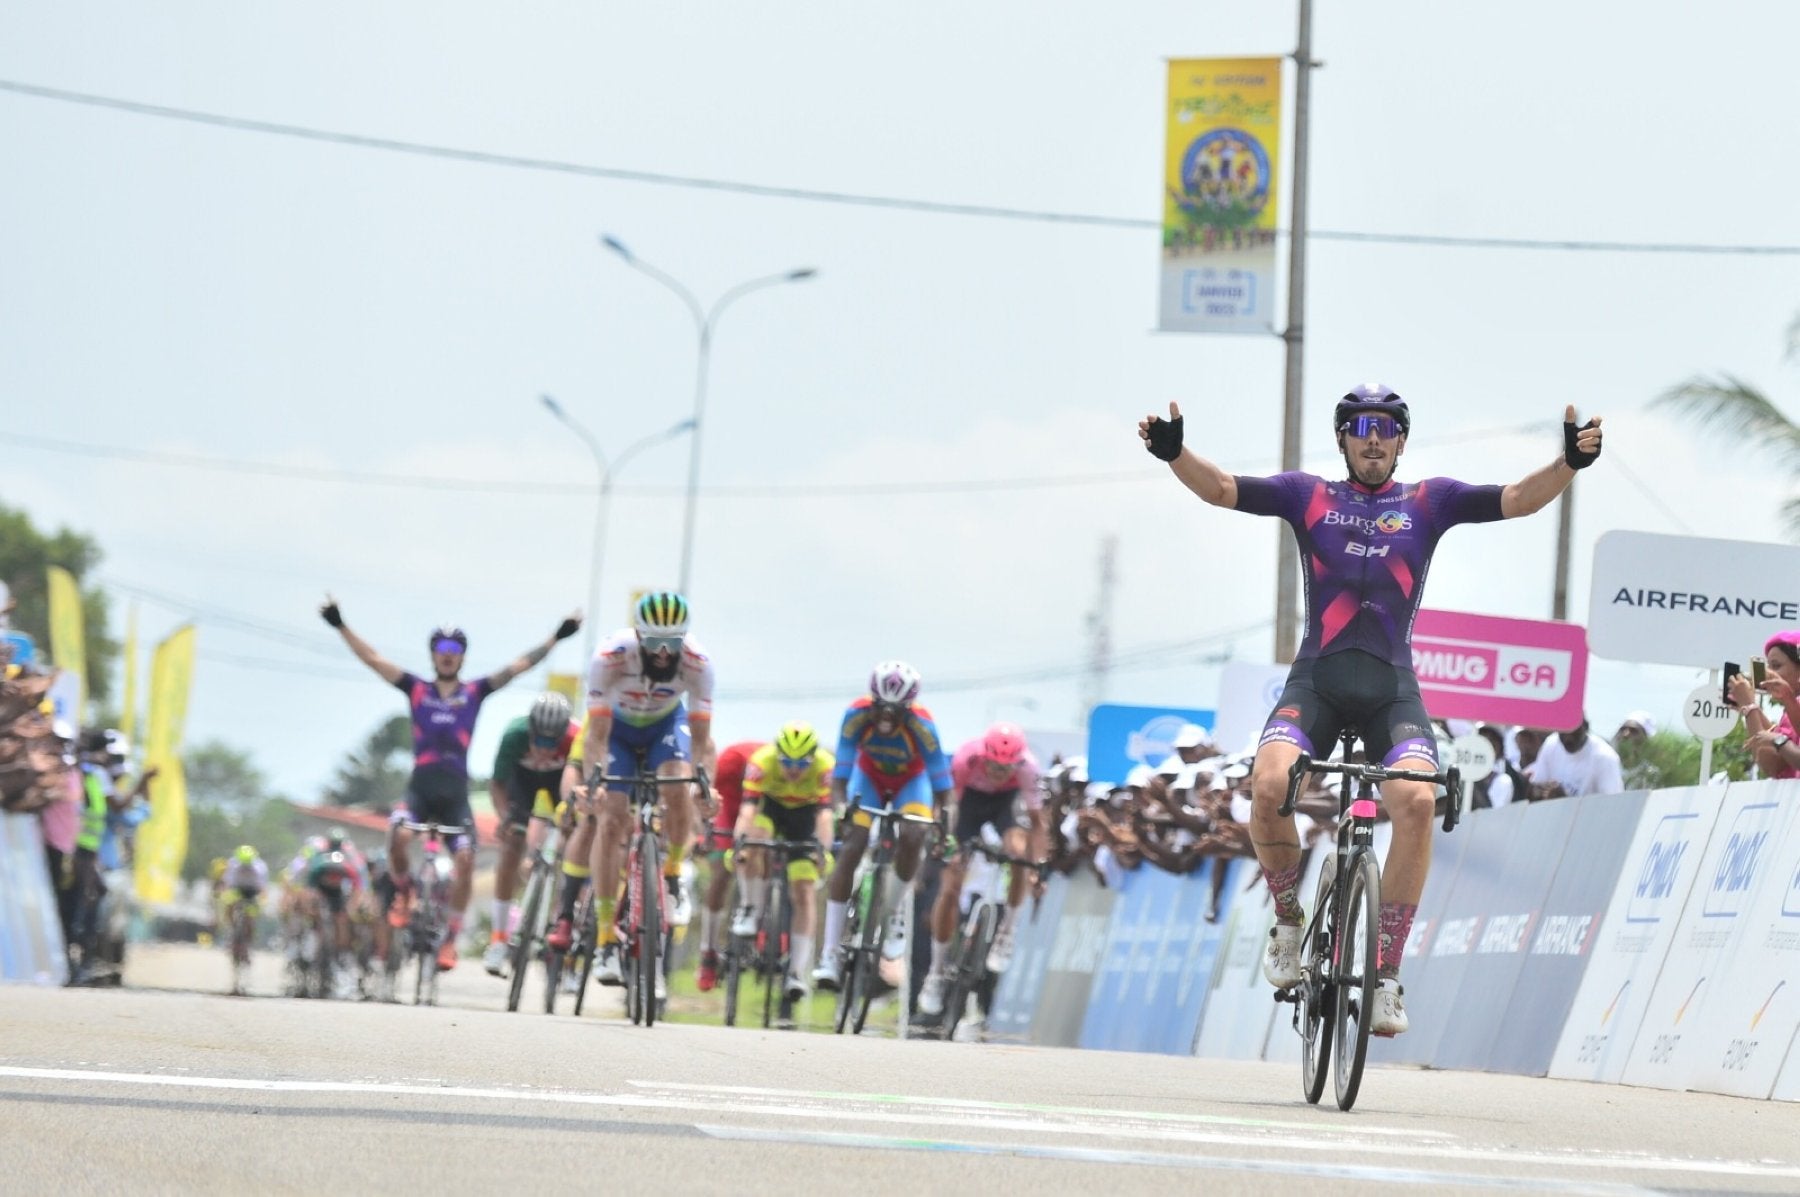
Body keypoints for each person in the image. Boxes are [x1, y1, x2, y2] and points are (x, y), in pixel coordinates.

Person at [1139, 384, 1603, 1036]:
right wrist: (1176, 453)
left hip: (1391, 690)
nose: (1374, 436)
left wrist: (1569, 465)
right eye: (1361, 425)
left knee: (1415, 801)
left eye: (1387, 426)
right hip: (1316, 686)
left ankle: (1384, 972)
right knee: (1270, 785)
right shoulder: (1308, 495)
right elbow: (1220, 488)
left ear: (1402, 440)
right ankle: (1289, 922)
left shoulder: (1429, 501)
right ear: (1343, 437)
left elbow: (1519, 500)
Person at [320, 597, 580, 971]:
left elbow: (518, 667)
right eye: (441, 649)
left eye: (455, 649)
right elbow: (374, 660)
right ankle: (404, 895)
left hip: (455, 794)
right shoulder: (416, 690)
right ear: (432, 654)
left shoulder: (473, 693)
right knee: (399, 834)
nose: (447, 655)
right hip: (420, 791)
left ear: (462, 657)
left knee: (465, 858)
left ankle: (451, 939)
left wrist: (557, 637)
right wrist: (340, 625)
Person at [568, 590, 716, 997]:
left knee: (677, 785)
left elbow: (703, 743)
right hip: (616, 732)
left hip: (665, 729)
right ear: (639, 636)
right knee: (612, 817)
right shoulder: (610, 657)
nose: (665, 653)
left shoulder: (699, 664)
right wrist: (592, 781)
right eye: (655, 643)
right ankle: (604, 939)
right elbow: (595, 736)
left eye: (674, 642)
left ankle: (671, 874)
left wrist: (707, 785)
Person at [813, 661, 952, 991]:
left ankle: (894, 917)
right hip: (868, 779)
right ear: (871, 700)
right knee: (852, 846)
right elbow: (839, 780)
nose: (887, 717)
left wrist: (943, 827)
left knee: (913, 833)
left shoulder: (923, 726)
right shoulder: (856, 716)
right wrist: (841, 810)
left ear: (909, 707)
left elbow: (945, 792)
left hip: (911, 783)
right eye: (881, 708)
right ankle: (830, 952)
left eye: (896, 711)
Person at [918, 722, 1043, 1018]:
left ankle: (1007, 931)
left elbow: (1038, 823)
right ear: (984, 756)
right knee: (950, 884)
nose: (999, 774)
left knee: (1019, 853)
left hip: (1005, 805)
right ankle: (936, 972)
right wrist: (946, 843)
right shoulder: (965, 758)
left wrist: (1037, 865)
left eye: (1006, 768)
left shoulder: (1028, 769)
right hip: (967, 804)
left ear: (1018, 762)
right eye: (994, 766)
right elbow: (948, 806)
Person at [730, 722, 835, 1003]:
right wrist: (741, 842)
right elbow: (748, 808)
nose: (793, 769)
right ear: (777, 756)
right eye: (787, 761)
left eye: (802, 763)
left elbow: (825, 816)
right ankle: (750, 908)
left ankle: (797, 973)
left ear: (813, 759)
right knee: (756, 840)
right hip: (771, 810)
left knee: (803, 890)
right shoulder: (761, 762)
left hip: (805, 817)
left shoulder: (825, 767)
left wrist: (821, 852)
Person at [482, 692, 580, 975]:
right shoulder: (514, 734)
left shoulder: (575, 738)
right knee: (512, 844)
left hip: (559, 784)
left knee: (574, 842)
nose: (545, 749)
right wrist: (506, 818)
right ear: (531, 730)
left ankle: (563, 917)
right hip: (521, 784)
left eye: (553, 742)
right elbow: (498, 784)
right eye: (539, 740)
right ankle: (499, 938)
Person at [694, 739, 765, 992]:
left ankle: (764, 924)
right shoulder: (729, 762)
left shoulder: (771, 767)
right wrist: (703, 835)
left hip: (758, 808)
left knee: (763, 852)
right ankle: (708, 953)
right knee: (721, 875)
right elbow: (706, 803)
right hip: (728, 805)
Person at [1730, 631, 1800, 778]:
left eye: (1776, 666)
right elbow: (1779, 743)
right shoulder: (1792, 708)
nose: (1770, 674)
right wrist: (1752, 709)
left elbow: (1771, 764)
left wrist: (1749, 707)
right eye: (1768, 667)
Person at [1527, 717, 1623, 799]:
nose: (1569, 738)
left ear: (1586, 727)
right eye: (1563, 732)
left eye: (1574, 731)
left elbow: (1612, 806)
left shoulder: (1604, 758)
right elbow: (1537, 784)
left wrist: (1565, 799)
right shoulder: (1551, 744)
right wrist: (1544, 790)